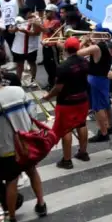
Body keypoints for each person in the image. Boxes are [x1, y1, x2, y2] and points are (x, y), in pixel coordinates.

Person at [0, 65, 47, 222]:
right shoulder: (18, 91)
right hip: (27, 144)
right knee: (32, 172)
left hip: (6, 149)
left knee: (11, 181)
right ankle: (41, 204)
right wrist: (28, 127)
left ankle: (12, 217)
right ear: (1, 78)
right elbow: (32, 111)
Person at [44, 36, 91, 169]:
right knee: (82, 124)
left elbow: (58, 88)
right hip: (82, 99)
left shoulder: (63, 66)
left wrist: (48, 96)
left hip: (67, 101)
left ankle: (67, 160)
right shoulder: (85, 61)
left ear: (65, 49)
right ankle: (83, 152)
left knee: (66, 129)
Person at [77, 32, 112, 143]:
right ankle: (109, 127)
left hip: (96, 80)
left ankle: (103, 133)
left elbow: (77, 53)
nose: (91, 35)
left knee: (98, 108)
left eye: (94, 33)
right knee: (106, 104)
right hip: (103, 79)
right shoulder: (106, 45)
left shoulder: (96, 47)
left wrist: (83, 41)